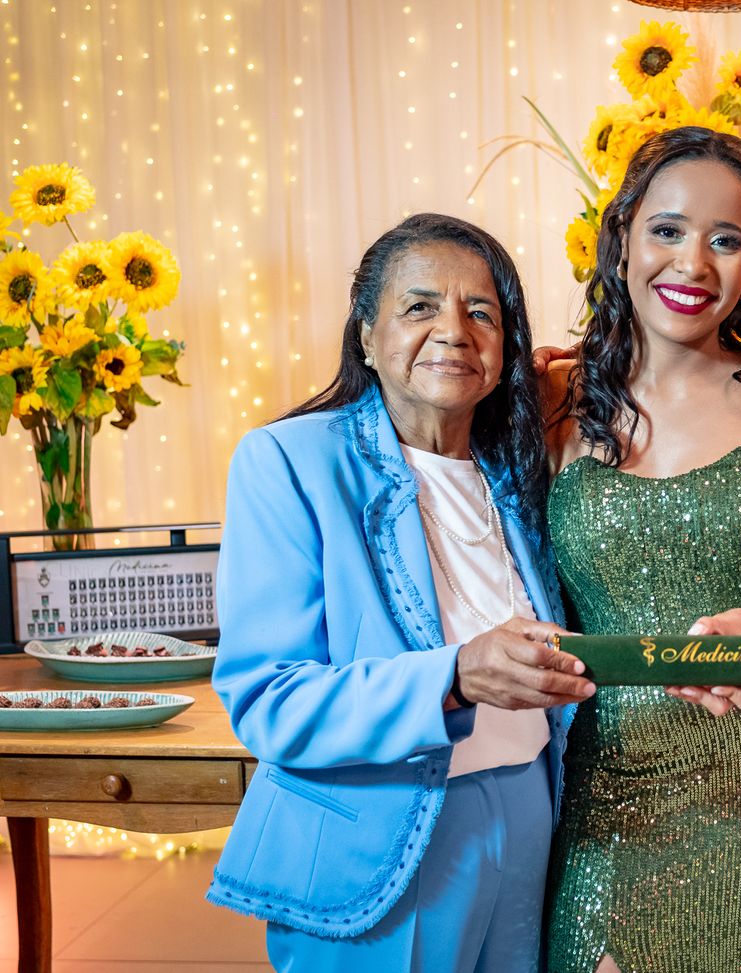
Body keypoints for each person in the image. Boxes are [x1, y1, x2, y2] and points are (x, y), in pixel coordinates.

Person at [206, 213, 595, 972]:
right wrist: (455, 676)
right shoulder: (289, 460)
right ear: (365, 335)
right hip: (377, 831)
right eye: (420, 306)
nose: (453, 331)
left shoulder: (520, 472)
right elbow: (268, 699)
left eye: (482, 313)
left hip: (529, 820)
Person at [541, 126, 741, 973]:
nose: (692, 263)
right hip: (615, 796)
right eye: (668, 230)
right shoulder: (552, 400)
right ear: (622, 238)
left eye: (726, 240)